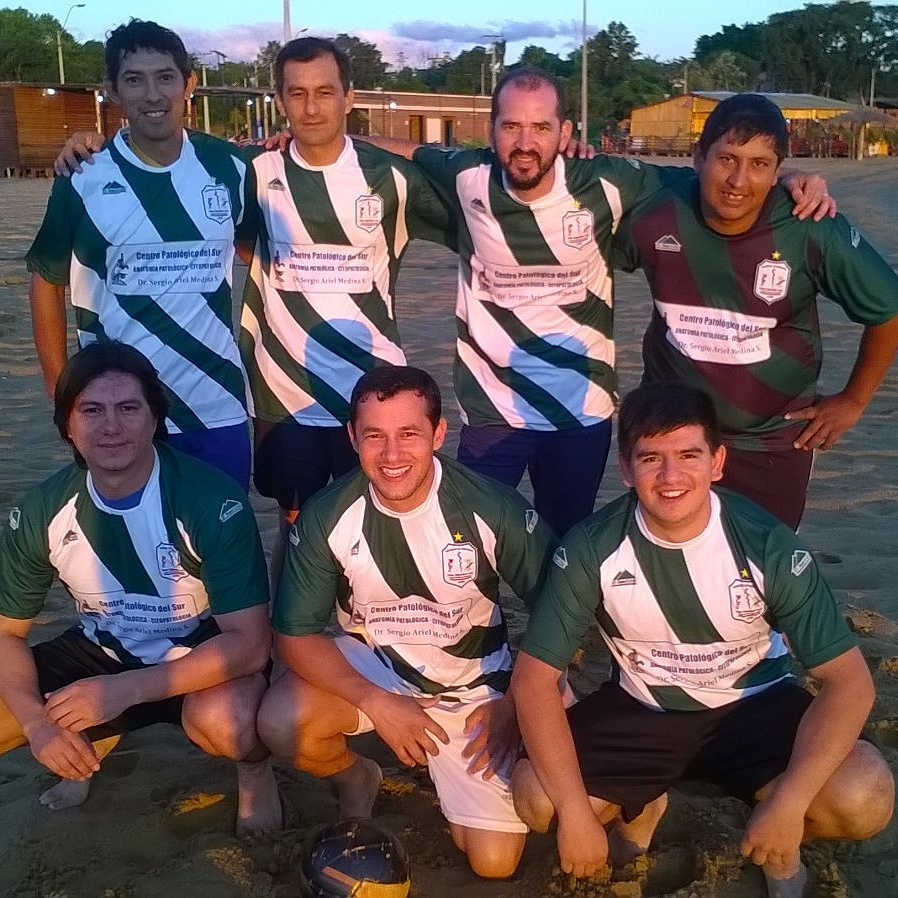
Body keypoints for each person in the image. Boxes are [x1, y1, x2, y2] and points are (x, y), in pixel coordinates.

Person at [360, 69, 833, 536]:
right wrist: (301, 143)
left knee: (564, 543)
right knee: (473, 537)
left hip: (579, 408)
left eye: (542, 127)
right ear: (491, 131)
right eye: (511, 126)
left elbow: (712, 171)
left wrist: (791, 174)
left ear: (565, 132)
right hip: (492, 409)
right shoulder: (467, 175)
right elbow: (401, 151)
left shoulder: (607, 182)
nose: (526, 142)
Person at [510, 382, 894, 897]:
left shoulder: (766, 544)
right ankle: (641, 809)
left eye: (688, 455)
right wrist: (577, 815)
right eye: (651, 458)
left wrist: (789, 806)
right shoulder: (591, 548)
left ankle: (779, 842)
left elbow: (849, 684)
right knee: (539, 799)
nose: (671, 477)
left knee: (864, 797)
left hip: (754, 704)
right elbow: (535, 680)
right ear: (626, 468)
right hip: (644, 707)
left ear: (717, 461)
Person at [258, 365, 556, 879]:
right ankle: (356, 777)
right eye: (374, 436)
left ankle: (456, 776)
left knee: (493, 865)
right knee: (281, 721)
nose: (391, 455)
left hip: (475, 688)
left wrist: (516, 704)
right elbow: (295, 637)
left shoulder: (491, 506)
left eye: (408, 435)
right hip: (378, 668)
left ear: (439, 434)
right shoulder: (329, 515)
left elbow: (561, 617)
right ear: (352, 437)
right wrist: (377, 702)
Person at [0, 342, 279, 834]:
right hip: (105, 649)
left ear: (155, 419)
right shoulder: (41, 509)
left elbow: (251, 646)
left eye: (129, 408)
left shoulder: (211, 500)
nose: (111, 427)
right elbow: (6, 636)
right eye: (91, 410)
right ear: (67, 423)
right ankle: (91, 738)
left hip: (200, 655)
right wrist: (40, 725)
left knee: (229, 722)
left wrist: (120, 691)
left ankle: (254, 772)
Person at [613, 93, 898, 529]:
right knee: (668, 566)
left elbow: (888, 310)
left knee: (759, 575)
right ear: (698, 157)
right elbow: (577, 202)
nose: (739, 180)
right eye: (726, 159)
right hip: (673, 437)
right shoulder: (655, 212)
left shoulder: (809, 224)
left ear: (778, 170)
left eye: (759, 164)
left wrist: (853, 400)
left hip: (772, 441)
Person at [238, 37, 453, 579]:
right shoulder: (255, 174)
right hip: (285, 389)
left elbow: (481, 212)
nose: (312, 108)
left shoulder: (392, 178)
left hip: (373, 385)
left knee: (379, 513)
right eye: (298, 94)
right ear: (281, 100)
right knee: (296, 520)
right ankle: (288, 636)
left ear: (349, 97)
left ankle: (372, 633)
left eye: (325, 93)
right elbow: (229, 233)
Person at [27, 19, 256, 490]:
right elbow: (46, 279)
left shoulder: (233, 167)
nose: (153, 94)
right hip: (114, 404)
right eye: (135, 79)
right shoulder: (83, 175)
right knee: (124, 548)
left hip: (214, 399)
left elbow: (259, 255)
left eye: (165, 77)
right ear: (112, 90)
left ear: (188, 84)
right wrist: (59, 387)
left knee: (219, 545)